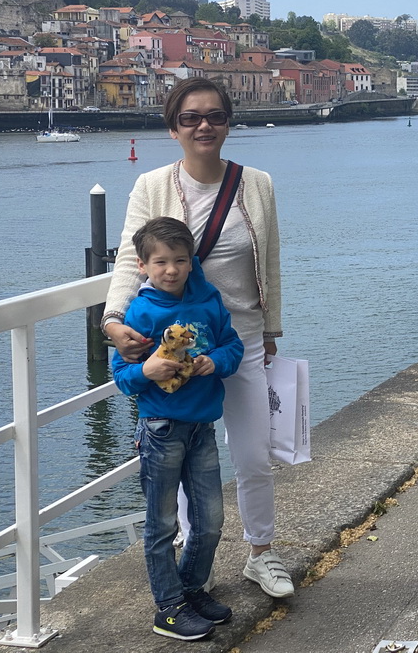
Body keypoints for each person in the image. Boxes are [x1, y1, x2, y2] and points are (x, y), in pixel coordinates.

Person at [102, 77, 295, 600]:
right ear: (174, 128)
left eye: (214, 116)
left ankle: (262, 552)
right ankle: (193, 557)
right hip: (177, 344)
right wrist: (114, 320)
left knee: (253, 454)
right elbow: (129, 257)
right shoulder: (151, 185)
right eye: (191, 118)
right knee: (186, 454)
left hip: (242, 337)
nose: (204, 125)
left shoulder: (257, 183)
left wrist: (271, 329)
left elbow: (269, 261)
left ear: (229, 122)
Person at [112, 217, 244, 641]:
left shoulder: (208, 301)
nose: (171, 270)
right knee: (162, 524)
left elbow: (232, 345)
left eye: (180, 261)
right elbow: (121, 376)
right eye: (161, 261)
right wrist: (147, 370)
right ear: (143, 265)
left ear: (193, 263)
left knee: (210, 520)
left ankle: (190, 589)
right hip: (160, 429)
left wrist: (215, 362)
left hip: (202, 427)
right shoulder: (141, 311)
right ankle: (167, 607)